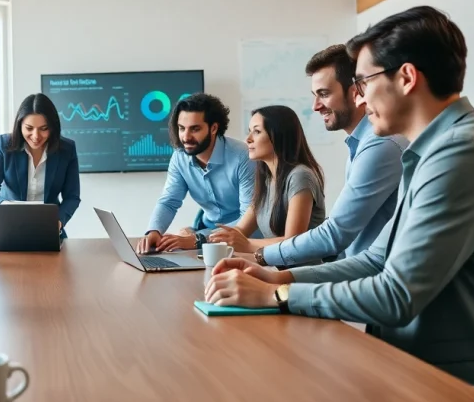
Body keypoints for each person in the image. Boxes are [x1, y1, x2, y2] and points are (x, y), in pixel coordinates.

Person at [205, 6, 474, 389]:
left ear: (407, 78)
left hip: (463, 384)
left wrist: (278, 294)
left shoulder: (463, 153)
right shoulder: (433, 151)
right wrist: (279, 275)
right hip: (420, 360)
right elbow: (376, 258)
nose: (360, 98)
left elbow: (396, 294)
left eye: (363, 82)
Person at [253, 45, 407, 267]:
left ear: (356, 91)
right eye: (315, 96)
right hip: (351, 270)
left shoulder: (381, 145)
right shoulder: (359, 143)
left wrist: (262, 256)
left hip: (370, 279)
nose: (315, 107)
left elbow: (335, 234)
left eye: (324, 94)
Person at [137, 93, 256, 253]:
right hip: (207, 233)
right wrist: (154, 231)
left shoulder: (243, 156)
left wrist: (198, 239)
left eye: (195, 129)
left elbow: (248, 217)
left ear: (213, 128)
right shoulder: (179, 158)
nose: (186, 137)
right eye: (181, 128)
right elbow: (169, 202)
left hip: (246, 239)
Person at [205, 106, 326, 254]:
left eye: (256, 132)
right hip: (272, 268)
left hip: (299, 273)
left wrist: (247, 244)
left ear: (278, 135)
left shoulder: (300, 176)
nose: (248, 139)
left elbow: (293, 241)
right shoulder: (267, 180)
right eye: (249, 131)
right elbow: (240, 230)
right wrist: (200, 239)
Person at [0, 93, 80, 236]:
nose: (36, 136)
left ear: (53, 127)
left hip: (48, 229)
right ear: (19, 125)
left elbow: (72, 197)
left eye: (44, 129)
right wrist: (6, 207)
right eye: (29, 128)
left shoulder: (66, 150)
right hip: (6, 228)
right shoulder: (4, 145)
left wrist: (58, 221)